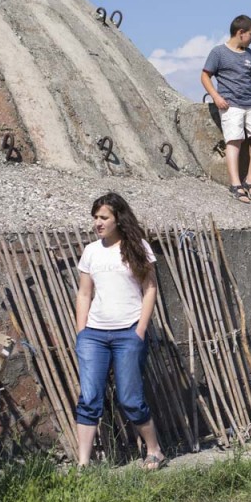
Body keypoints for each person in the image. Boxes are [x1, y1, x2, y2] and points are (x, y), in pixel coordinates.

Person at [75, 192, 167, 470]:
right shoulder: (91, 251)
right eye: (95, 217)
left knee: (130, 398)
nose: (97, 223)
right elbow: (83, 293)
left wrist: (140, 329)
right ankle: (83, 464)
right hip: (94, 335)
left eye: (103, 217)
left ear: (118, 219)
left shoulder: (137, 247)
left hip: (128, 332)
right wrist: (82, 332)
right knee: (89, 398)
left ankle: (154, 450)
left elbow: (150, 288)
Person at [201, 14, 251, 204]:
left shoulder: (250, 55)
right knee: (235, 140)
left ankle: (250, 180)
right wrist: (216, 96)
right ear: (241, 33)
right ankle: (235, 184)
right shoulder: (218, 53)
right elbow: (205, 76)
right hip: (231, 104)